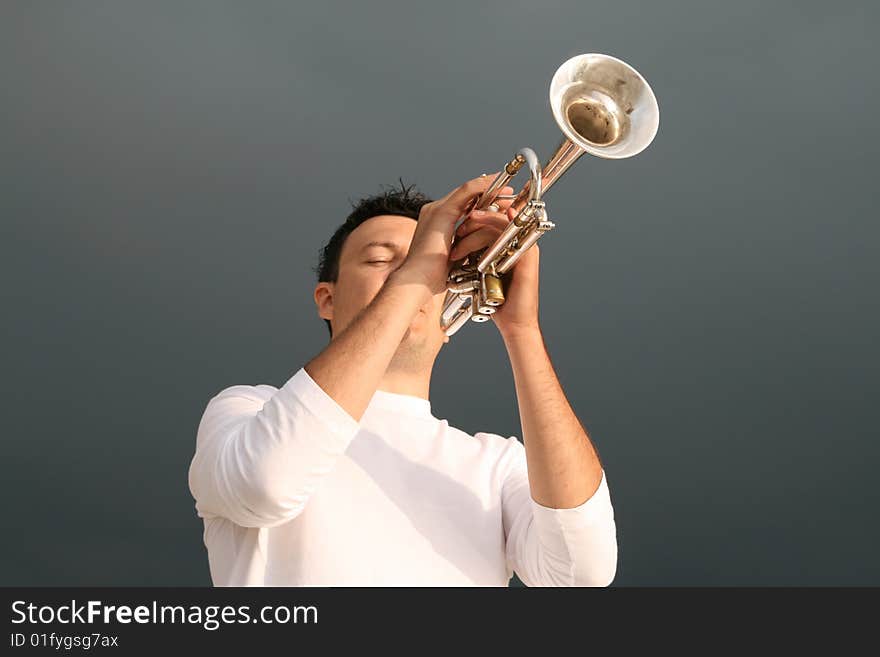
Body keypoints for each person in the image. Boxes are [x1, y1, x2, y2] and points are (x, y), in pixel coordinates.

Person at [187, 174, 617, 586]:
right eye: (379, 259)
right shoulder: (246, 409)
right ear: (327, 299)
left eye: (430, 266)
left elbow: (580, 573)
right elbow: (264, 485)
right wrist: (413, 276)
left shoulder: (497, 464)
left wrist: (522, 330)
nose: (413, 271)